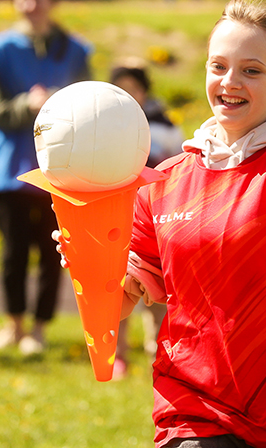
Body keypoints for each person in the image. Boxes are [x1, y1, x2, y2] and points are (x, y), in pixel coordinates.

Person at [61, 0, 266, 447]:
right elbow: (121, 303)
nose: (229, 82)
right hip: (194, 410)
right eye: (218, 66)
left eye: (251, 70)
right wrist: (92, 267)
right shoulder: (164, 180)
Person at [0, 0, 92, 355]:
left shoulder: (76, 50)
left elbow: (92, 105)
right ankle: (13, 324)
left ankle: (40, 329)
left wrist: (60, 102)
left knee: (52, 253)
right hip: (11, 169)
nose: (30, 5)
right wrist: (24, 105)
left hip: (59, 172)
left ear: (51, 1)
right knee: (12, 253)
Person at [109, 61, 185, 379]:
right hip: (115, 215)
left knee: (155, 284)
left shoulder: (164, 127)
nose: (129, 94)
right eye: (121, 88)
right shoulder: (101, 126)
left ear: (144, 92)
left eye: (134, 88)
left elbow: (177, 168)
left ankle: (158, 348)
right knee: (117, 286)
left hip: (156, 215)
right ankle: (117, 354)